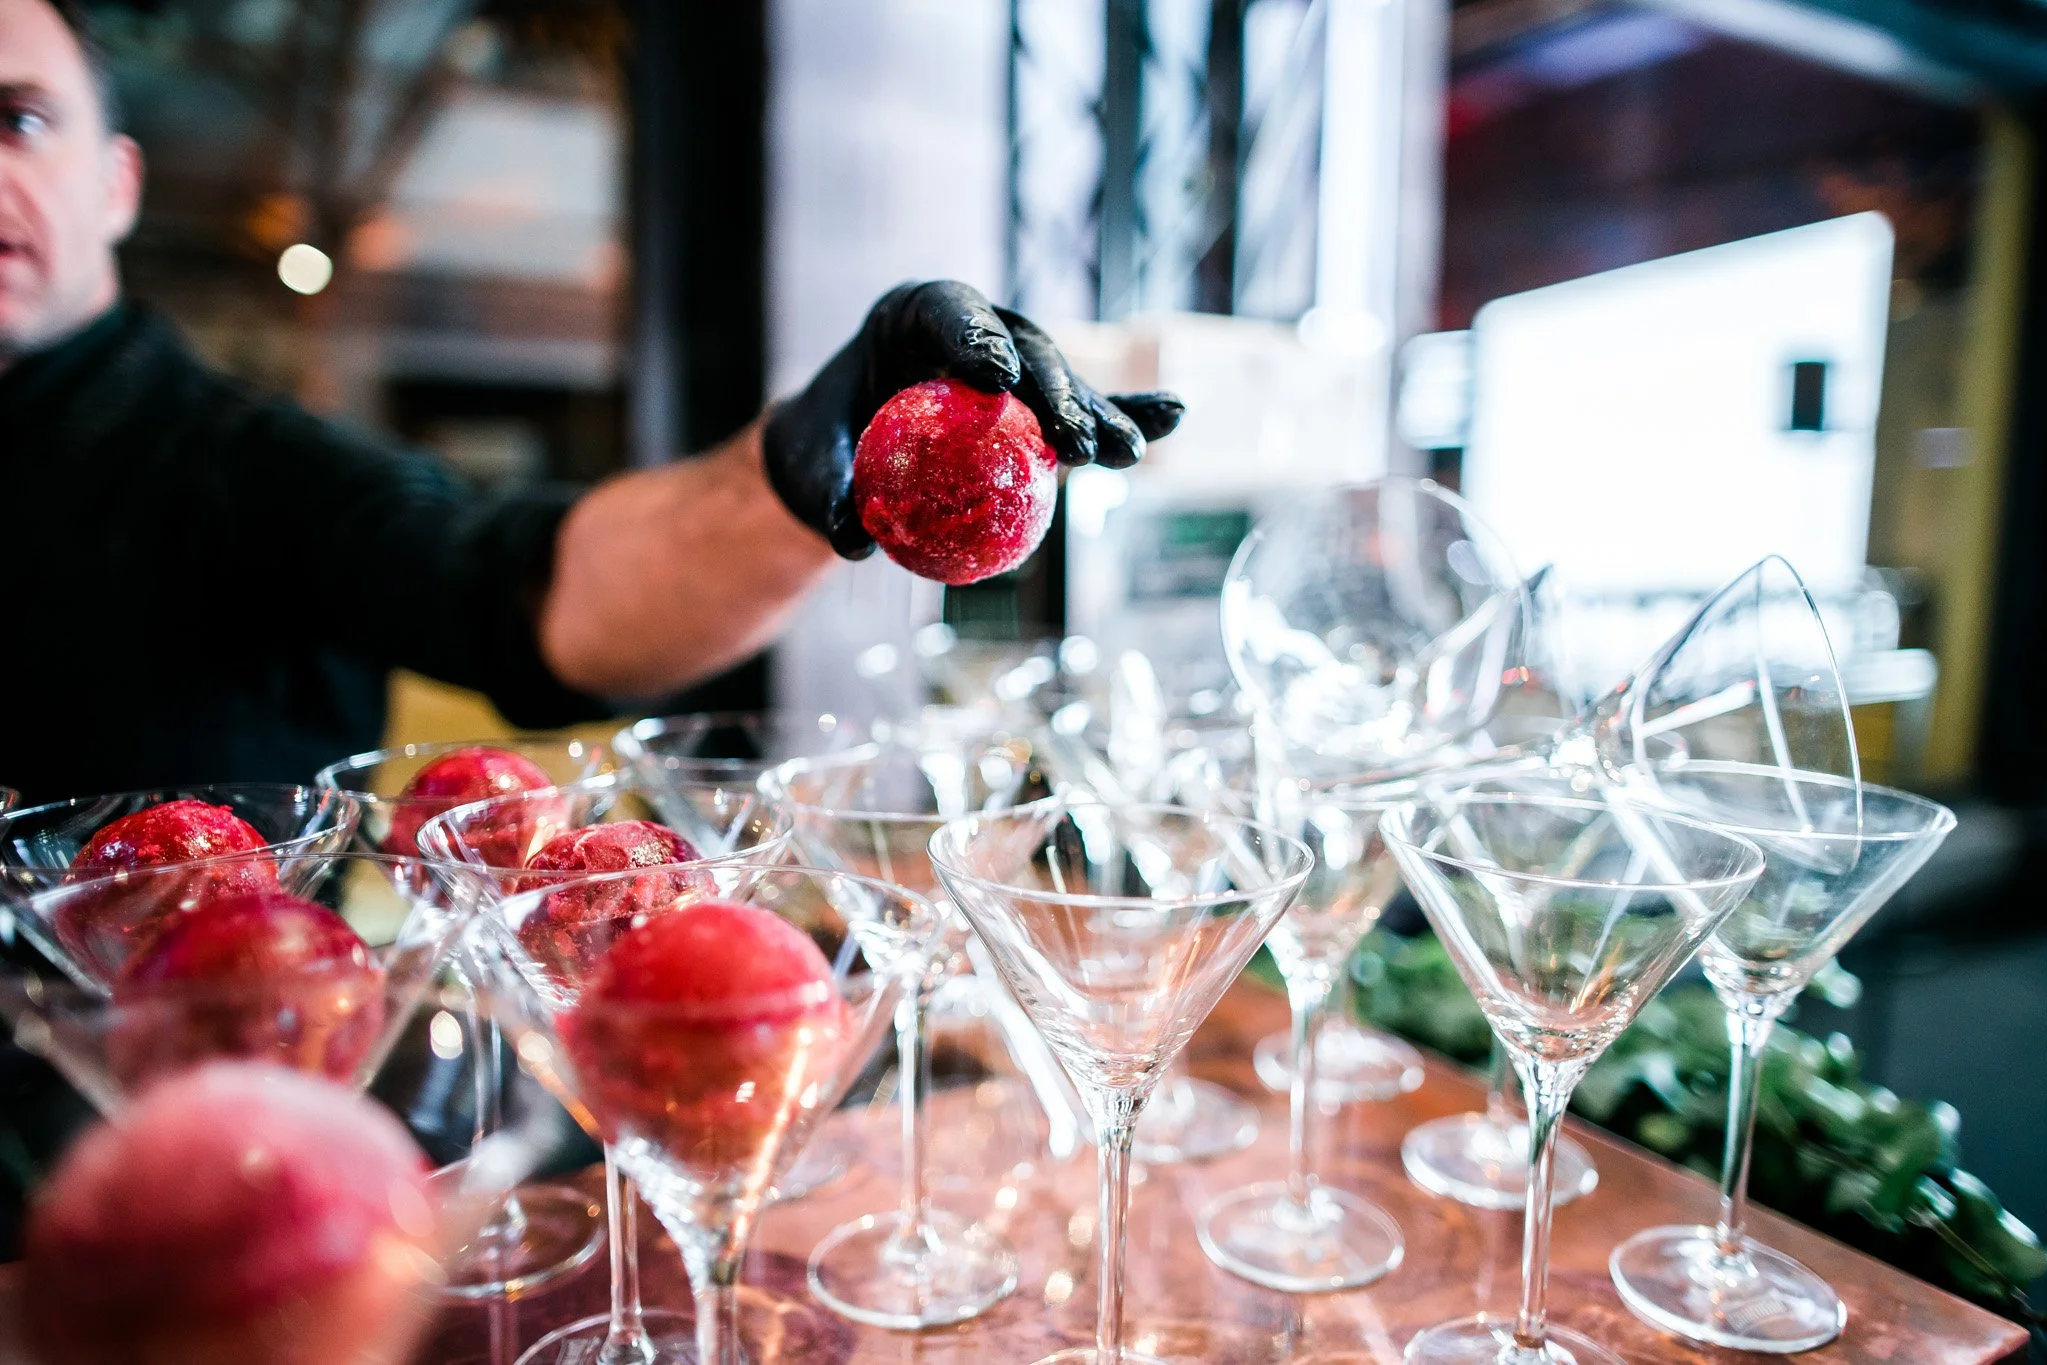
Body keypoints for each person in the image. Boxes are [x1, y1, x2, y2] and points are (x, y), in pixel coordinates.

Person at [0, 0, 1182, 802]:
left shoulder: (232, 463)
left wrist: (806, 449)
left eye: (19, 120)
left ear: (118, 183)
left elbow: (535, 593)